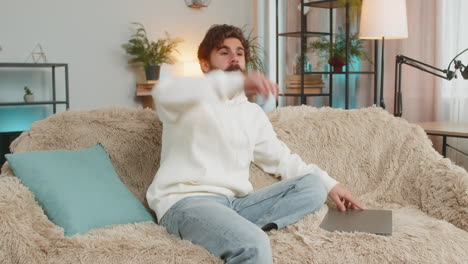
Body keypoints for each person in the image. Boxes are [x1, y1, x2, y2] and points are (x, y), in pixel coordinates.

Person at [146, 24, 364, 264]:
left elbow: (281, 159)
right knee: (254, 243)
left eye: (239, 53)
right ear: (205, 64)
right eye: (224, 52)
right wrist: (233, 83)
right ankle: (238, 234)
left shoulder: (252, 113)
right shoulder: (188, 99)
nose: (234, 58)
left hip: (235, 205)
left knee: (313, 186)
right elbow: (163, 93)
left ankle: (230, 229)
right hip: (186, 203)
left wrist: (331, 185)